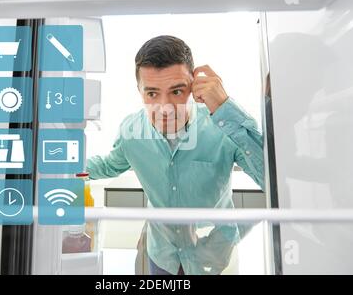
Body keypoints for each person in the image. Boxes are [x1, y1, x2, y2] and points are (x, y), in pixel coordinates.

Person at [87, 35, 264, 275]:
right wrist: (62, 167)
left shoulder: (223, 126)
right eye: (151, 94)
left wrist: (224, 106)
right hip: (162, 254)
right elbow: (110, 165)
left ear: (193, 86)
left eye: (177, 91)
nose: (164, 107)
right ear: (139, 91)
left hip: (215, 253)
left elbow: (272, 180)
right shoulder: (131, 131)